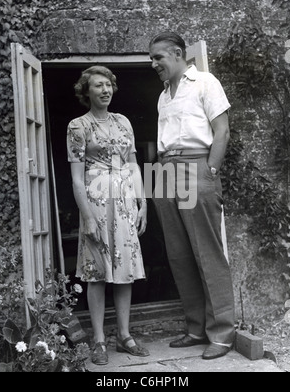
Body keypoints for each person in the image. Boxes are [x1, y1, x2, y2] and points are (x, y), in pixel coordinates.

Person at [149, 32, 236, 360]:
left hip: (196, 167)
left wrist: (211, 170)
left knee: (207, 252)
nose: (154, 64)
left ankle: (223, 332)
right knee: (179, 254)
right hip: (164, 172)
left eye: (158, 57)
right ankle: (196, 328)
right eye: (151, 60)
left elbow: (222, 130)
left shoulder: (204, 81)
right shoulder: (163, 96)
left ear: (177, 53)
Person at [67, 66, 149, 365]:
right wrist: (87, 216)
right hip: (97, 201)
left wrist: (142, 203)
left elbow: (134, 165)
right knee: (97, 271)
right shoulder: (79, 126)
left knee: (125, 270)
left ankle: (125, 336)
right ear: (86, 91)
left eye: (109, 85)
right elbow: (76, 179)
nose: (105, 90)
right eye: (98, 86)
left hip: (125, 200)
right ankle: (99, 339)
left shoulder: (123, 122)